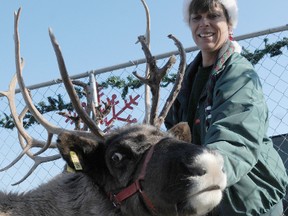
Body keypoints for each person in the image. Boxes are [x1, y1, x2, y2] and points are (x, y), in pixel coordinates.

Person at [164, 0, 288, 215]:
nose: (204, 24)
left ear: (229, 24)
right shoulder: (186, 82)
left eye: (213, 16)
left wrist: (204, 172)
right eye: (197, 18)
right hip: (207, 200)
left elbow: (236, 136)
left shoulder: (239, 73)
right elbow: (170, 134)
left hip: (249, 200)